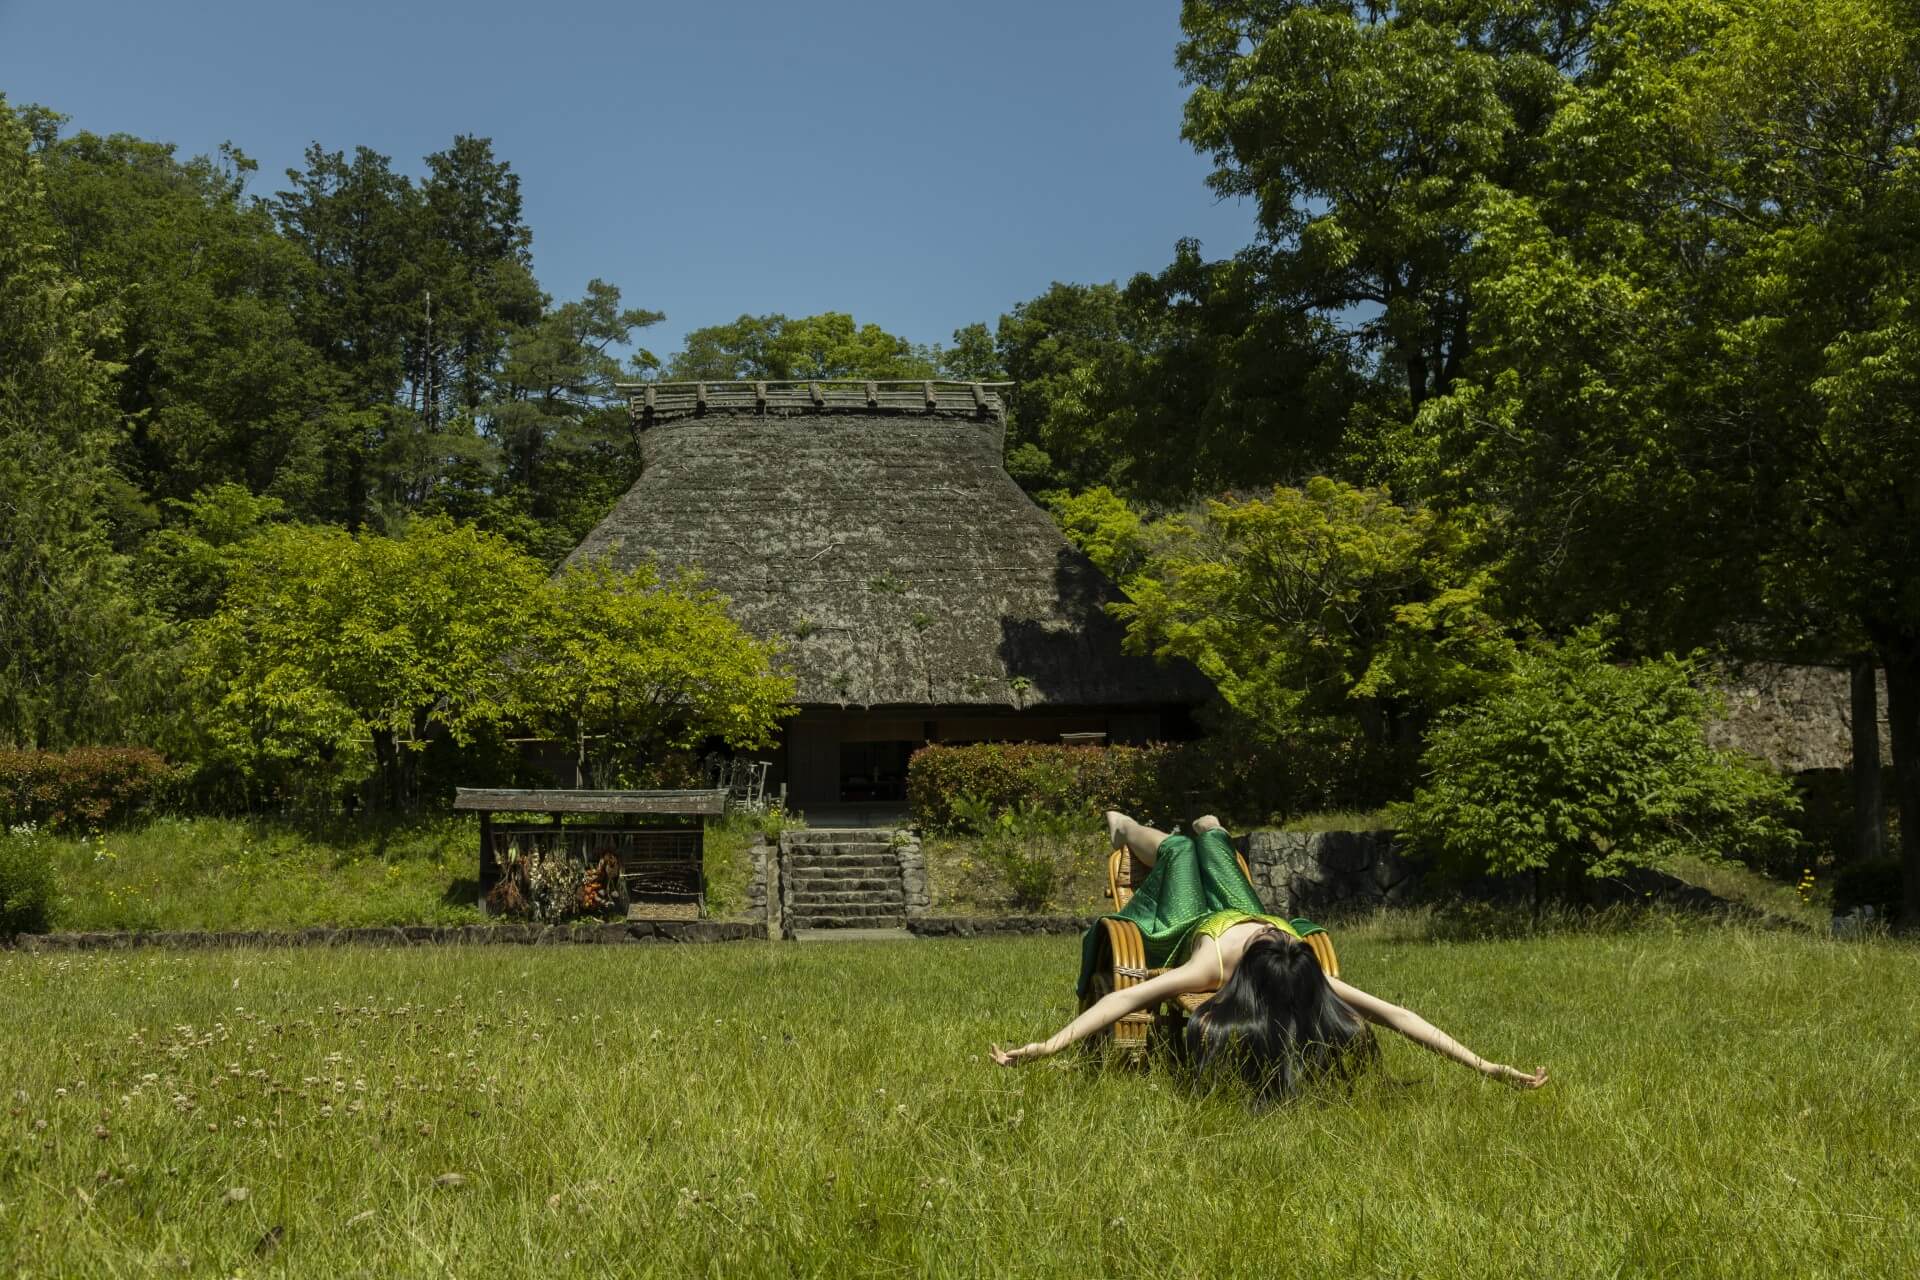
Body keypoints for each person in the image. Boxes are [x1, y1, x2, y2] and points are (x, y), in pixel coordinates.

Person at [989, 812, 1548, 1100]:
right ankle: (1211, 827)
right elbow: (1398, 1014)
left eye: (1267, 944)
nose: (1272, 936)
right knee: (1213, 838)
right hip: (1243, 902)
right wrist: (1487, 1064)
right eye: (1279, 940)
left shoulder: (1209, 968)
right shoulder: (1291, 951)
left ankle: (1126, 827)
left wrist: (1044, 1047)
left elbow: (1128, 997)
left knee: (1183, 850)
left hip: (1186, 918)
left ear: (1246, 977)